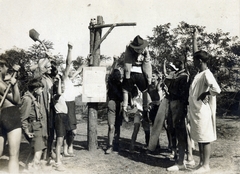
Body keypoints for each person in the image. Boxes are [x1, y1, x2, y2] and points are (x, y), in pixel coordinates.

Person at [188, 29, 221, 173]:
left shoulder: (207, 74)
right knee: (199, 137)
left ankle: (206, 165)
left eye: (195, 60)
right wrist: (194, 38)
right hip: (196, 110)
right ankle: (201, 163)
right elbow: (197, 52)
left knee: (205, 138)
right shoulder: (200, 73)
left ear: (199, 61)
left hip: (203, 111)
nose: (193, 62)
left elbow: (217, 89)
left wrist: (206, 93)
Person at [165, 55, 190, 171]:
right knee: (173, 129)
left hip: (179, 104)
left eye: (177, 62)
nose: (175, 64)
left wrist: (181, 108)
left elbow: (183, 95)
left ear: (182, 63)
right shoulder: (177, 75)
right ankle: (180, 157)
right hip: (172, 103)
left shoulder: (184, 76)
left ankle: (184, 159)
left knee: (181, 131)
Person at [122, 35, 152, 123]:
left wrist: (149, 78)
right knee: (143, 90)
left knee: (126, 90)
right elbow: (128, 64)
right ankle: (125, 109)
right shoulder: (129, 49)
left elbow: (147, 64)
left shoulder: (145, 50)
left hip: (136, 72)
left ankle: (144, 109)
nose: (139, 50)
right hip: (133, 71)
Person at [0, 55, 21, 173]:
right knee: (13, 155)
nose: (6, 70)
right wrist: (15, 85)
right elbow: (17, 100)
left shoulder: (3, 81)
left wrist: (14, 73)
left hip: (2, 114)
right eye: (5, 67)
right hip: (10, 114)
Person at [20, 78, 47, 170]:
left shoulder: (33, 98)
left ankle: (28, 169)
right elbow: (23, 117)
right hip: (33, 126)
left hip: (37, 125)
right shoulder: (27, 99)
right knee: (38, 149)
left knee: (35, 149)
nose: (42, 90)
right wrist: (26, 130)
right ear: (36, 89)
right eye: (41, 88)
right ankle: (35, 168)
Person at [62, 42, 78, 157]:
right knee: (65, 129)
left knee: (73, 129)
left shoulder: (70, 80)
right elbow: (68, 64)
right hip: (65, 104)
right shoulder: (64, 78)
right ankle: (65, 149)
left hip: (71, 104)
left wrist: (87, 60)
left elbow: (79, 70)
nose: (71, 70)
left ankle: (70, 145)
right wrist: (70, 50)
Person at [52, 74, 70, 171]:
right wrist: (59, 81)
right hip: (59, 117)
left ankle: (58, 158)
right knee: (59, 141)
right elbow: (58, 92)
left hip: (64, 117)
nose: (63, 88)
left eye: (63, 86)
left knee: (62, 139)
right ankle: (57, 162)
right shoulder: (56, 96)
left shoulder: (62, 97)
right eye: (61, 86)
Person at [105, 67, 123, 154]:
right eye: (117, 74)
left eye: (119, 74)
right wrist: (115, 62)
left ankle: (116, 144)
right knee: (111, 126)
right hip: (112, 103)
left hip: (119, 104)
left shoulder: (121, 84)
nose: (119, 75)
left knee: (118, 126)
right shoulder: (111, 82)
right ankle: (110, 146)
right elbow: (110, 73)